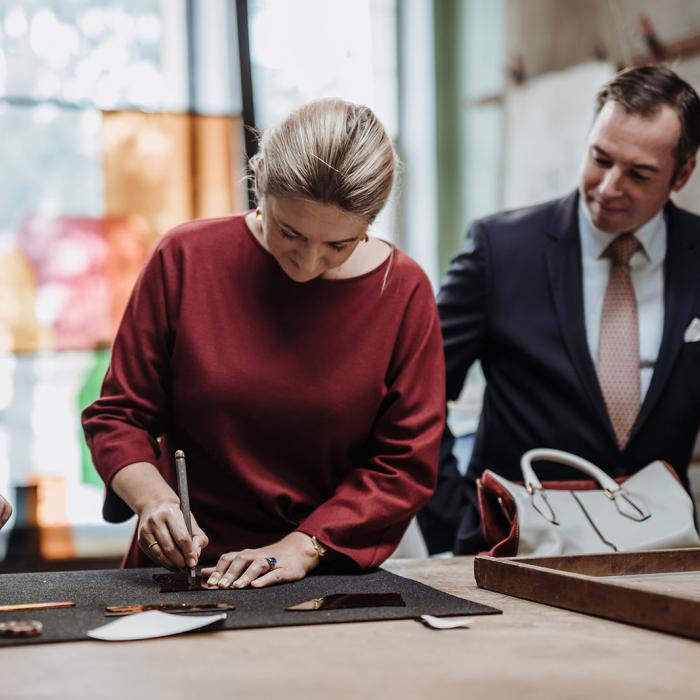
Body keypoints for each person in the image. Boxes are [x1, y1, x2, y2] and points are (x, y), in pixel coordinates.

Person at [82, 98, 444, 588]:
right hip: (182, 568)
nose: (308, 262)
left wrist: (303, 548)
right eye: (290, 233)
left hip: (323, 574)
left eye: (338, 245)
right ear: (259, 179)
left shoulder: (404, 291)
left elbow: (403, 464)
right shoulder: (185, 258)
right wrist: (155, 502)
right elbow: (119, 415)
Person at [418, 65, 700, 555]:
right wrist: (459, 518)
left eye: (638, 174)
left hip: (660, 552)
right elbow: (417, 397)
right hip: (512, 549)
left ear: (683, 174)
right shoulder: (499, 250)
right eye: (600, 158)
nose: (610, 186)